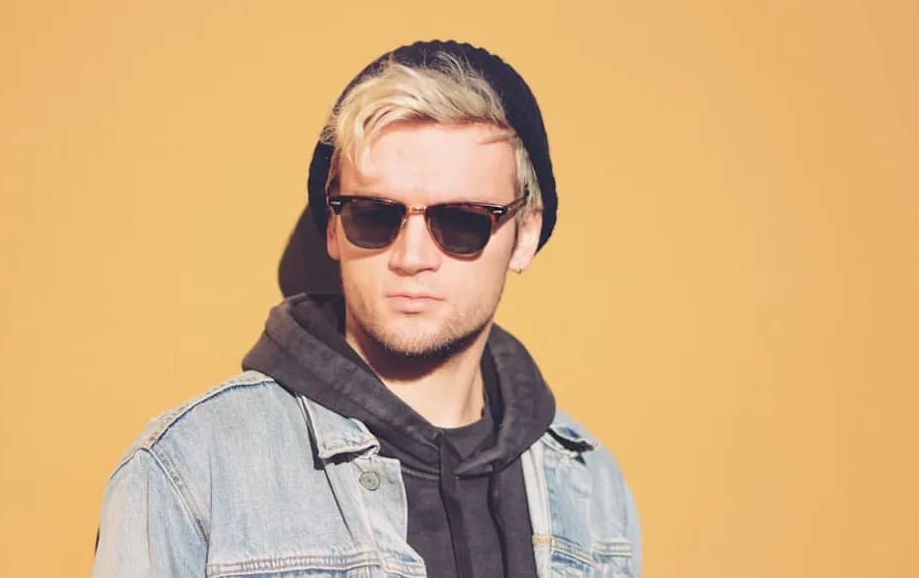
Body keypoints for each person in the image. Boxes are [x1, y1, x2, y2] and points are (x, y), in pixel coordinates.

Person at [92, 40, 642, 577]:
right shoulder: (192, 470)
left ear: (524, 234)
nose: (411, 256)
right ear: (333, 226)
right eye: (374, 216)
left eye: (461, 222)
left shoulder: (589, 486)